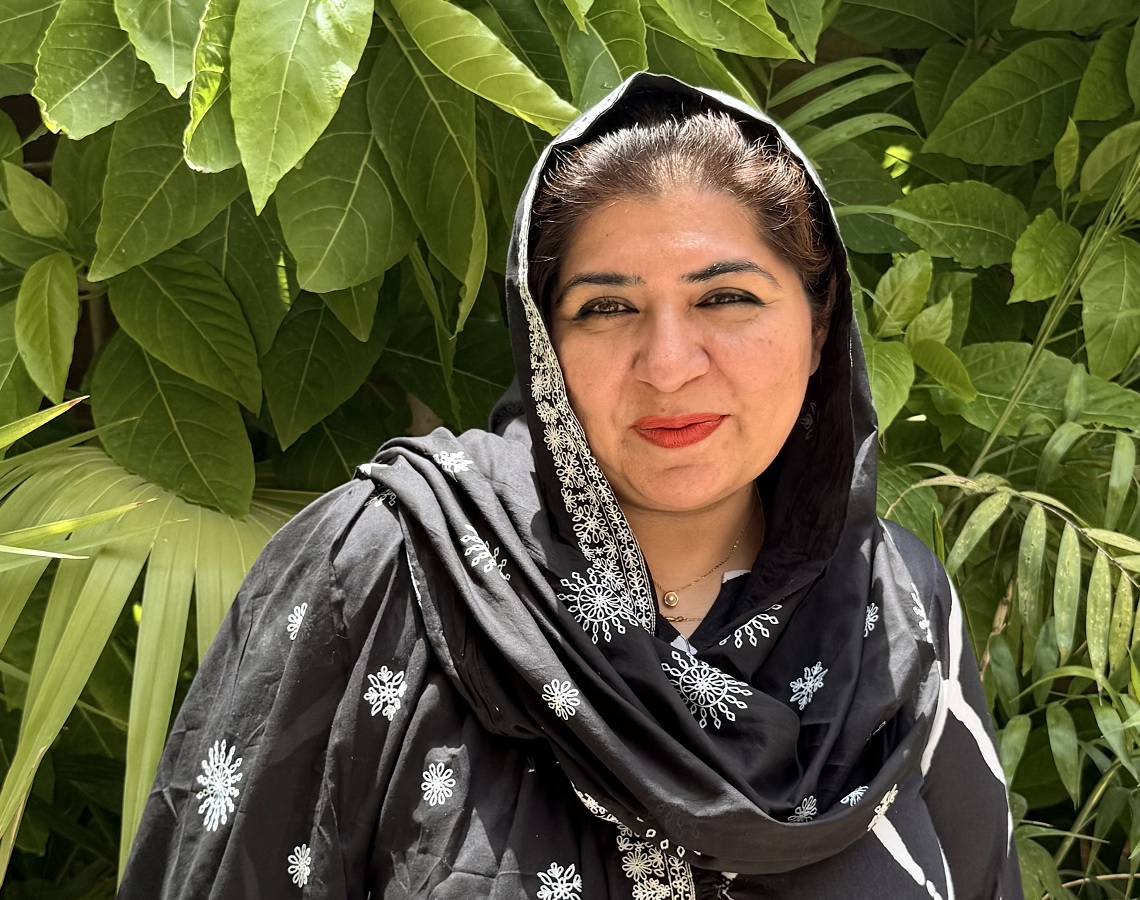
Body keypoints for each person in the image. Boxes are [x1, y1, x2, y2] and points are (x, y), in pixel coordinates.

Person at [118, 74, 1021, 899]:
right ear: (543, 345)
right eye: (607, 308)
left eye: (725, 298)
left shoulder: (894, 611)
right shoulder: (392, 570)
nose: (668, 365)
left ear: (820, 327)